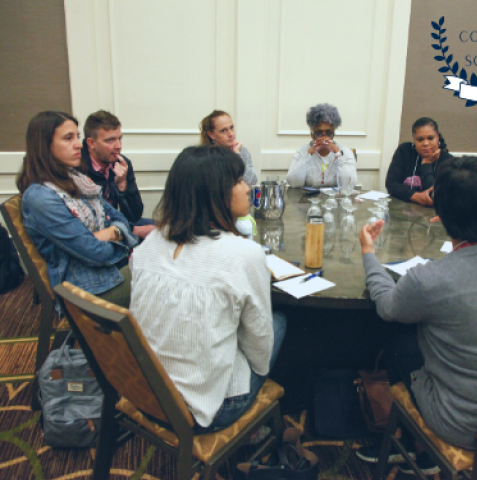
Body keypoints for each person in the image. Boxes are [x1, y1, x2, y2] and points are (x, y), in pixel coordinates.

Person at [357, 156, 477, 472]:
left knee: (398, 335)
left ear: (439, 214)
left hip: (467, 426)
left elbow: (387, 306)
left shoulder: (430, 278)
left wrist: (368, 253)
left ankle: (419, 447)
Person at [129, 145, 286, 433]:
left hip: (146, 392)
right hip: (205, 410)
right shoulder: (243, 253)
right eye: (239, 181)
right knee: (280, 322)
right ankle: (267, 424)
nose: (248, 187)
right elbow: (259, 351)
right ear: (214, 193)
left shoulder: (151, 242)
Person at [17, 111, 137, 307]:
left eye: (77, 137)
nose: (78, 145)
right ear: (44, 145)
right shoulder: (41, 196)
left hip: (106, 273)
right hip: (84, 290)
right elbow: (96, 253)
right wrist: (115, 234)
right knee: (165, 279)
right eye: (68, 138)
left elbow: (119, 218)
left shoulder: (76, 179)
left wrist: (110, 232)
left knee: (166, 267)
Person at [82, 110, 155, 239]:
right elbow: (90, 220)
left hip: (118, 222)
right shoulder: (79, 167)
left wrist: (122, 186)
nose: (118, 146)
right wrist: (133, 230)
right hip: (94, 231)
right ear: (91, 143)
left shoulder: (122, 162)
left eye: (119, 138)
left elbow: (135, 215)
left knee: (163, 229)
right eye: (110, 140)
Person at [385, 117, 453, 206]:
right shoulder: (404, 151)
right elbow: (391, 184)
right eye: (420, 139)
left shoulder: (448, 161)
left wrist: (426, 164)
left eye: (430, 138)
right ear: (414, 140)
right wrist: (416, 196)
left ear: (438, 137)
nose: (425, 143)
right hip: (401, 209)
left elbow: (436, 195)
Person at [286, 103, 357, 188]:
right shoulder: (302, 151)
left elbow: (349, 184)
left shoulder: (345, 151)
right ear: (312, 134)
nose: (324, 137)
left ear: (333, 134)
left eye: (328, 133)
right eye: (319, 133)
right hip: (310, 199)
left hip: (335, 199)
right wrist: (308, 154)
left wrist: (337, 154)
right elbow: (294, 182)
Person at [199, 110, 257, 185]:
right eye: (223, 130)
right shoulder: (204, 157)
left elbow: (251, 181)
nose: (231, 134)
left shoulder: (241, 151)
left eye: (231, 127)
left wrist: (237, 155)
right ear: (211, 134)